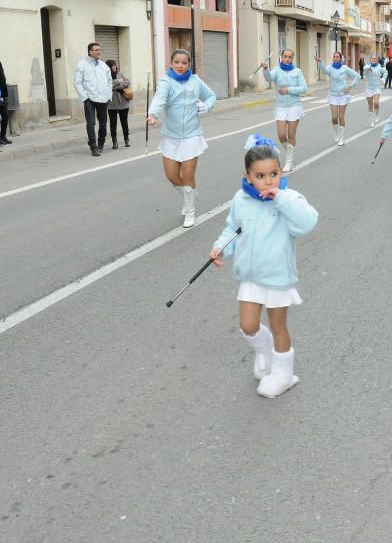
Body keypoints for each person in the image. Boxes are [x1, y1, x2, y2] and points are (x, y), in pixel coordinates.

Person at [211, 135, 318, 399]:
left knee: (278, 323)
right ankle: (264, 350)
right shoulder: (240, 199)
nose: (268, 180)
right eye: (260, 175)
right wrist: (220, 247)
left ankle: (283, 375)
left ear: (281, 171)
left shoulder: (289, 198)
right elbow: (233, 228)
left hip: (277, 276)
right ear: (248, 177)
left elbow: (307, 224)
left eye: (273, 173)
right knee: (248, 325)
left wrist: (280, 199)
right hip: (249, 275)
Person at [147, 48, 217, 228]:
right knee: (172, 176)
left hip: (192, 135)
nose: (180, 66)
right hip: (171, 136)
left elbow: (210, 96)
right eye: (176, 62)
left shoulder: (195, 81)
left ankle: (190, 210)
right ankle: (190, 194)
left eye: (184, 63)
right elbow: (159, 99)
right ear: (171, 63)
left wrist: (206, 106)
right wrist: (153, 114)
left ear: (189, 65)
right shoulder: (166, 82)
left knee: (188, 175)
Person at [261, 48, 308, 172]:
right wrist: (265, 69)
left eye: (290, 57)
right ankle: (289, 154)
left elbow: (303, 88)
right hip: (281, 106)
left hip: (294, 106)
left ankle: (289, 161)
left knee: (291, 135)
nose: (287, 59)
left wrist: (288, 90)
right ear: (281, 57)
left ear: (293, 58)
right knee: (281, 135)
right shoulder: (276, 70)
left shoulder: (297, 72)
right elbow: (269, 79)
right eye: (285, 56)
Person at [74, 42, 113, 157]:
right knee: (91, 123)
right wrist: (85, 98)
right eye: (96, 50)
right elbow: (77, 82)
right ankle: (93, 146)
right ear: (90, 52)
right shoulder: (82, 65)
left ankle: (101, 143)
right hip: (89, 99)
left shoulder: (103, 66)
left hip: (103, 99)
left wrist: (109, 95)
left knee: (103, 124)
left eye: (100, 50)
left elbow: (109, 81)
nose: (99, 52)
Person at [315, 51, 360, 146]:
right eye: (334, 57)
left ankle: (342, 138)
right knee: (334, 118)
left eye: (337, 57)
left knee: (341, 117)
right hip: (333, 95)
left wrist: (350, 86)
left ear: (340, 58)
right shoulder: (330, 68)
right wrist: (320, 62)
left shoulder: (345, 68)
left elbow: (357, 76)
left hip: (343, 95)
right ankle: (336, 133)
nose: (335, 58)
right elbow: (324, 71)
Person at [106, 59, 131, 150]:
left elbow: (127, 82)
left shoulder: (120, 74)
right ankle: (114, 142)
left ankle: (126, 139)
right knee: (113, 123)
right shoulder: (105, 76)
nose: (114, 67)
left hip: (123, 101)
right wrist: (117, 81)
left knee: (124, 122)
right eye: (112, 65)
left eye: (115, 65)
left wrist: (118, 85)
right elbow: (107, 85)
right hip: (111, 102)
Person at [362, 56, 387, 127]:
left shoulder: (379, 67)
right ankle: (372, 121)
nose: (373, 60)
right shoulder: (367, 66)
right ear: (370, 60)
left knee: (376, 103)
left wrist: (383, 78)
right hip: (368, 88)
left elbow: (385, 72)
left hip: (376, 88)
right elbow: (364, 70)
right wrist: (367, 69)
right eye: (372, 58)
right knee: (370, 105)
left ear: (377, 61)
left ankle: (376, 115)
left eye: (375, 59)